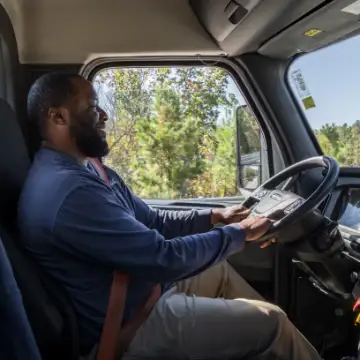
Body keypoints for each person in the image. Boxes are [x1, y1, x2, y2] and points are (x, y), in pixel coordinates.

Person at [18, 72, 322, 360]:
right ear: (58, 116)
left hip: (143, 291)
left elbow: (154, 222)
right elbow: (164, 258)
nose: (104, 115)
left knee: (219, 270)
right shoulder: (68, 191)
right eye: (93, 107)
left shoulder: (91, 170)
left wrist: (215, 216)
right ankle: (274, 343)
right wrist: (240, 232)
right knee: (273, 323)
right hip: (125, 326)